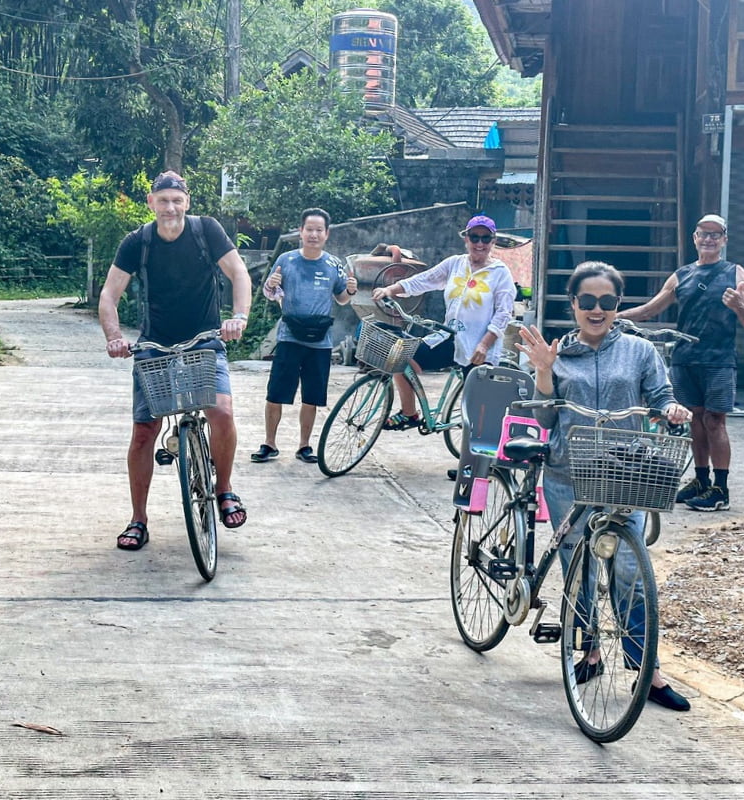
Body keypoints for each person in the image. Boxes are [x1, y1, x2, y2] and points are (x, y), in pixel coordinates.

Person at [517, 261, 693, 712]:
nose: (598, 310)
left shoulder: (638, 351)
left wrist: (672, 410)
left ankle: (647, 670)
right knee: (579, 566)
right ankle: (589, 651)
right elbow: (543, 419)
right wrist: (543, 372)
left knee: (630, 572)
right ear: (573, 304)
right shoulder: (557, 354)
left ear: (618, 304)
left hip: (624, 472)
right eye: (588, 301)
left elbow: (661, 396)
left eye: (607, 302)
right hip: (567, 475)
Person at [99, 171, 252, 550]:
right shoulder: (138, 242)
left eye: (176, 200)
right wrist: (115, 338)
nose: (170, 207)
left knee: (222, 412)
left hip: (204, 341)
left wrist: (240, 317)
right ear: (151, 203)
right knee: (144, 432)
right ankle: (138, 518)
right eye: (163, 200)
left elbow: (238, 273)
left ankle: (225, 488)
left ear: (187, 202)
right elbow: (109, 294)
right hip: (155, 345)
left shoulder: (207, 231)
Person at [617, 214, 744, 512]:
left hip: (718, 360)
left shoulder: (735, 273)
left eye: (715, 234)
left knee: (715, 421)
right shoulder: (681, 275)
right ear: (695, 238)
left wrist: (739, 305)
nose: (709, 239)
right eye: (703, 234)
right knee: (694, 420)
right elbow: (649, 310)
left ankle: (721, 489)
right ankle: (701, 480)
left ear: (724, 240)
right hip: (685, 359)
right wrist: (613, 317)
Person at [370, 215, 515, 430]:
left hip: (479, 347)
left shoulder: (500, 273)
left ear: (493, 242)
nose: (480, 244)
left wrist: (484, 344)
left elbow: (504, 313)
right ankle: (409, 413)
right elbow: (424, 279)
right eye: (474, 237)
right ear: (466, 239)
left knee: (478, 415)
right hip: (449, 337)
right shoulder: (455, 264)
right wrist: (391, 289)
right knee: (399, 356)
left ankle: (480, 463)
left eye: (486, 238)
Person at [251, 208, 356, 465]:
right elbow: (270, 293)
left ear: (326, 234)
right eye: (309, 229)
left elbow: (341, 298)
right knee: (275, 393)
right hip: (289, 337)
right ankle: (269, 443)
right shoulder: (286, 260)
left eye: (319, 230)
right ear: (301, 231)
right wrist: (272, 286)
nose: (313, 234)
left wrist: (351, 291)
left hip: (320, 342)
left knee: (312, 396)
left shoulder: (333, 264)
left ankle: (304, 446)